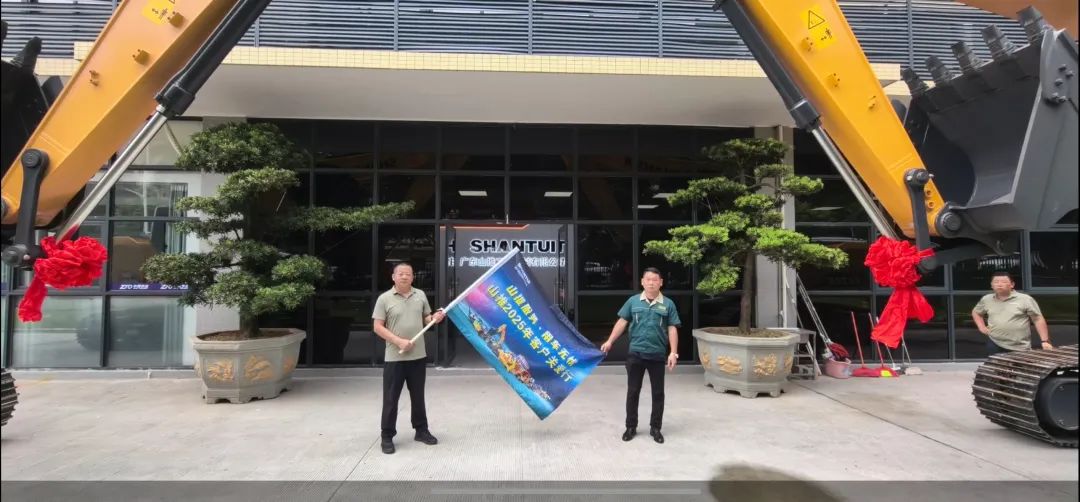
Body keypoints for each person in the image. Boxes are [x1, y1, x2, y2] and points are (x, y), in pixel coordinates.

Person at [600, 267, 681, 444]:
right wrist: (610, 341)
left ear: (661, 282)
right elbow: (622, 322)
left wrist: (673, 352)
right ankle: (631, 426)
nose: (651, 283)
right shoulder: (633, 301)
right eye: (648, 279)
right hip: (635, 354)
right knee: (633, 391)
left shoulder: (668, 304)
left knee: (658, 393)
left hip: (657, 355)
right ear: (642, 282)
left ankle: (655, 428)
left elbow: (672, 328)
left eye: (655, 280)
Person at [373, 262, 446, 454]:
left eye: (408, 274)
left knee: (418, 396)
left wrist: (435, 318)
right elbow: (378, 327)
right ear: (393, 277)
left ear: (413, 277)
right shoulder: (384, 299)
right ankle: (387, 435)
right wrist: (398, 341)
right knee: (391, 399)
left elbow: (426, 318)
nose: (405, 276)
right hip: (394, 358)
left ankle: (421, 430)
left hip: (417, 356)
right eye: (401, 274)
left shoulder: (420, 295)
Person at [972, 271, 1053, 355]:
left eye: (1004, 282)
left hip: (1020, 346)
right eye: (996, 282)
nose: (999, 284)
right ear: (991, 285)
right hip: (995, 343)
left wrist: (1045, 341)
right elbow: (976, 312)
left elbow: (1038, 319)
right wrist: (981, 327)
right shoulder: (986, 299)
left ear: (1012, 285)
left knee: (1020, 364)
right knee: (995, 364)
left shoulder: (1025, 299)